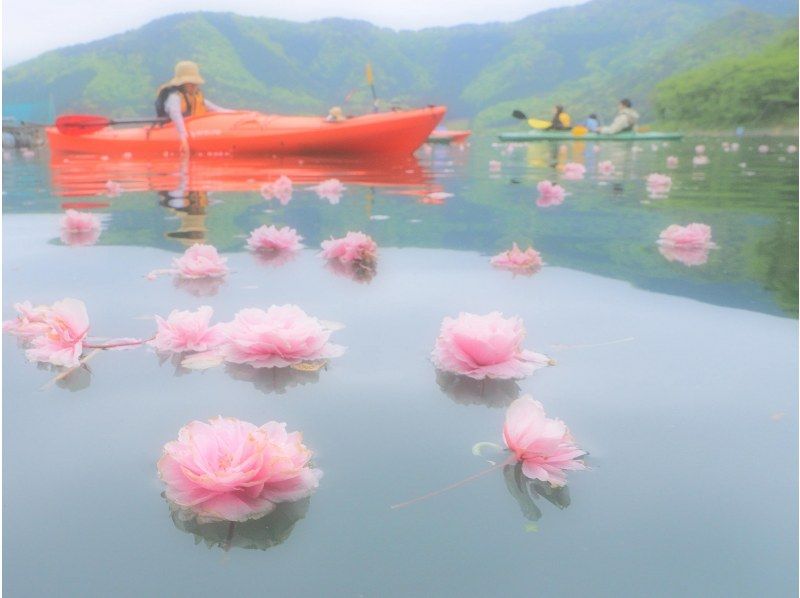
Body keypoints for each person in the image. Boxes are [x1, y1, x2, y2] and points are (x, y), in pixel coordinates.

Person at [155, 61, 229, 154]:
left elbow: (217, 109)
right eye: (191, 83)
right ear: (182, 83)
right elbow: (175, 114)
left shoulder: (195, 97)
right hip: (171, 130)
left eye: (196, 83)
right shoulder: (174, 97)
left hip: (193, 130)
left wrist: (239, 114)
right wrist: (183, 137)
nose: (195, 86)